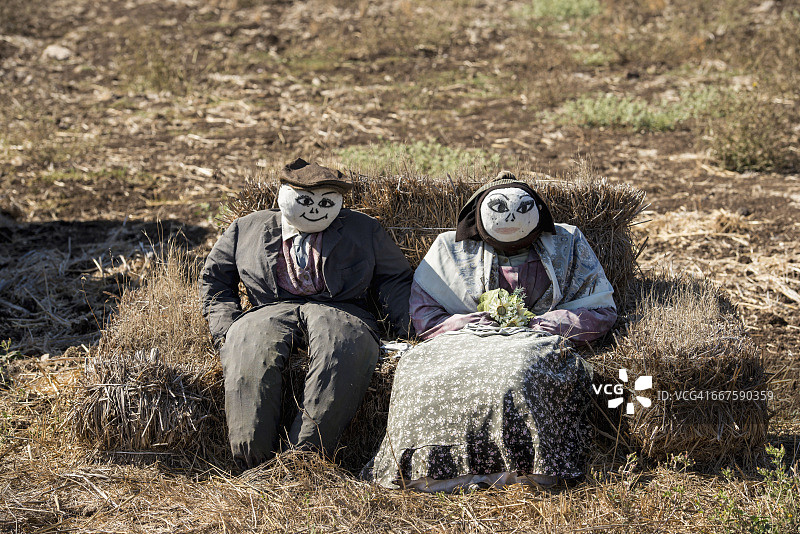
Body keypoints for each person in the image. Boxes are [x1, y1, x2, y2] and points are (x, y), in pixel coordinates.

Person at [368, 171, 617, 491]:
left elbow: (600, 310)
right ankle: (432, 473)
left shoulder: (567, 243)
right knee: (418, 372)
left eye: (521, 210)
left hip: (534, 338)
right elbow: (425, 313)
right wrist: (465, 324)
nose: (512, 217)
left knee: (514, 374)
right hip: (462, 337)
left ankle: (518, 471)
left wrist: (544, 323)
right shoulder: (449, 248)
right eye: (500, 209)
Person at [199, 158, 413, 468]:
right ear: (284, 196)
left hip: (341, 309)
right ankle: (253, 461)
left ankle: (304, 460)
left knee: (342, 349)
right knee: (249, 349)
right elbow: (216, 279)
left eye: (326, 202)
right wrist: (225, 329)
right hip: (268, 308)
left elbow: (394, 277)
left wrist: (407, 326)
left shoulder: (364, 230)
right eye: (305, 200)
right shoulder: (246, 228)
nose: (315, 209)